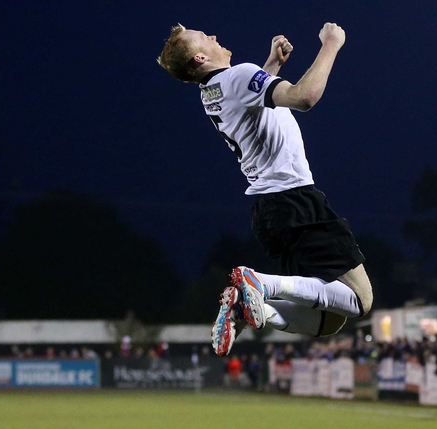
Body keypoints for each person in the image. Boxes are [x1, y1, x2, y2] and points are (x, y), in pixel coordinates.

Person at [158, 23, 374, 356]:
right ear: (200, 57)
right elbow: (305, 97)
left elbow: (252, 103)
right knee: (361, 299)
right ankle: (260, 283)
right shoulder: (237, 76)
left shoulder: (210, 91)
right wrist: (332, 44)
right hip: (294, 200)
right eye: (205, 38)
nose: (214, 36)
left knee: (328, 321)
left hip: (269, 211)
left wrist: (271, 66)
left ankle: (252, 308)